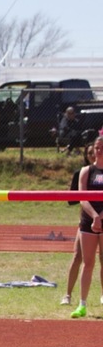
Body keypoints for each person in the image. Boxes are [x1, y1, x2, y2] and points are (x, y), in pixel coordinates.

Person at [72, 136, 103, 318]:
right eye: (97, 147)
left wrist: (101, 217)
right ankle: (82, 304)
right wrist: (94, 216)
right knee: (88, 262)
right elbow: (82, 197)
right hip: (88, 221)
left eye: (102, 147)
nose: (98, 150)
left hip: (101, 218)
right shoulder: (86, 171)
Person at [61, 143, 95, 305]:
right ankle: (67, 295)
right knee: (77, 257)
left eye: (94, 152)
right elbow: (71, 199)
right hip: (86, 221)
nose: (93, 155)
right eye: (90, 153)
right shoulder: (82, 173)